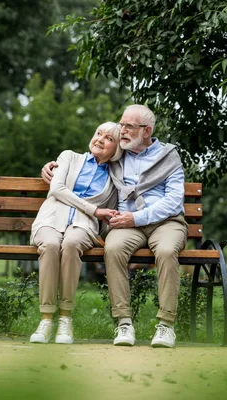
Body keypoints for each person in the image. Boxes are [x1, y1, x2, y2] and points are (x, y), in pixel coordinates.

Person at [41, 105, 187, 348]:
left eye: (129, 126)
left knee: (166, 251)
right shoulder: (119, 155)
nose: (123, 131)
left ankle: (166, 325)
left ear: (147, 130)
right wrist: (52, 166)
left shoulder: (168, 156)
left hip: (166, 222)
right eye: (122, 125)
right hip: (127, 224)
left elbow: (173, 202)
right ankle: (124, 322)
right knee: (113, 248)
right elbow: (90, 160)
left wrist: (136, 218)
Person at [29, 122, 123, 344]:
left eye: (108, 138)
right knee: (51, 245)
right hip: (50, 217)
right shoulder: (69, 157)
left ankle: (65, 318)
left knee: (71, 244)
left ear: (117, 148)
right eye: (98, 133)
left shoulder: (116, 176)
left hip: (83, 225)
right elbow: (57, 189)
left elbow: (112, 211)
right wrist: (95, 210)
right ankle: (46, 319)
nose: (100, 139)